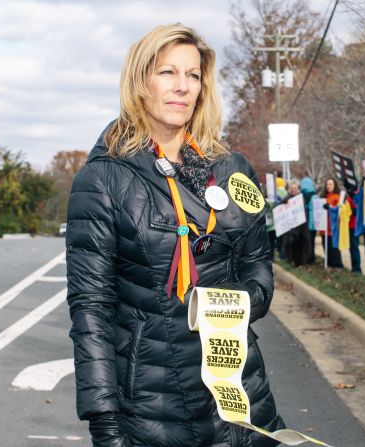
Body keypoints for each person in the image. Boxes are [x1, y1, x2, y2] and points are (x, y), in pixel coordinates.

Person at [66, 24, 284, 447]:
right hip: (153, 405)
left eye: (193, 75)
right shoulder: (103, 179)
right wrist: (105, 423)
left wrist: (233, 304)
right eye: (167, 72)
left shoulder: (233, 168)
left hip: (241, 390)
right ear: (140, 81)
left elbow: (259, 266)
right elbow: (91, 310)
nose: (182, 87)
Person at [281, 179, 313, 266]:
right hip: (290, 227)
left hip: (301, 226)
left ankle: (300, 261)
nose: (293, 190)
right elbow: (280, 206)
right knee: (290, 243)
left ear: (298, 189)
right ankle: (290, 259)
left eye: (295, 188)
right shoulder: (287, 197)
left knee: (300, 244)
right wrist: (284, 202)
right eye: (291, 188)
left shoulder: (301, 198)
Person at [321, 177, 344, 268]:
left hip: (333, 228)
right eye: (327, 184)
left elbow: (339, 210)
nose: (328, 186)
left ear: (335, 185)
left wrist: (330, 207)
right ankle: (329, 263)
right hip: (324, 227)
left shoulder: (337, 197)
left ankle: (337, 264)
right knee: (326, 247)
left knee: (334, 247)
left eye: (330, 184)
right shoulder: (323, 197)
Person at [301, 176, 317, 264]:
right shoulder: (315, 196)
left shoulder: (301, 196)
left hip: (304, 223)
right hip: (313, 223)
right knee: (312, 241)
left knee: (305, 241)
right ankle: (312, 258)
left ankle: (306, 258)